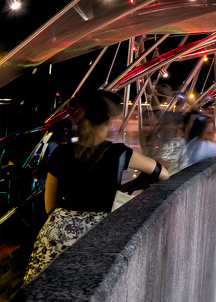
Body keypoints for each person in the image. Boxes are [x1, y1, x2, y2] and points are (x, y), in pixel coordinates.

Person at [22, 88, 170, 284]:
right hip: (95, 236)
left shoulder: (61, 152)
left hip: (55, 235)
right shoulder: (119, 153)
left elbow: (50, 206)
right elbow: (162, 173)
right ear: (110, 121)